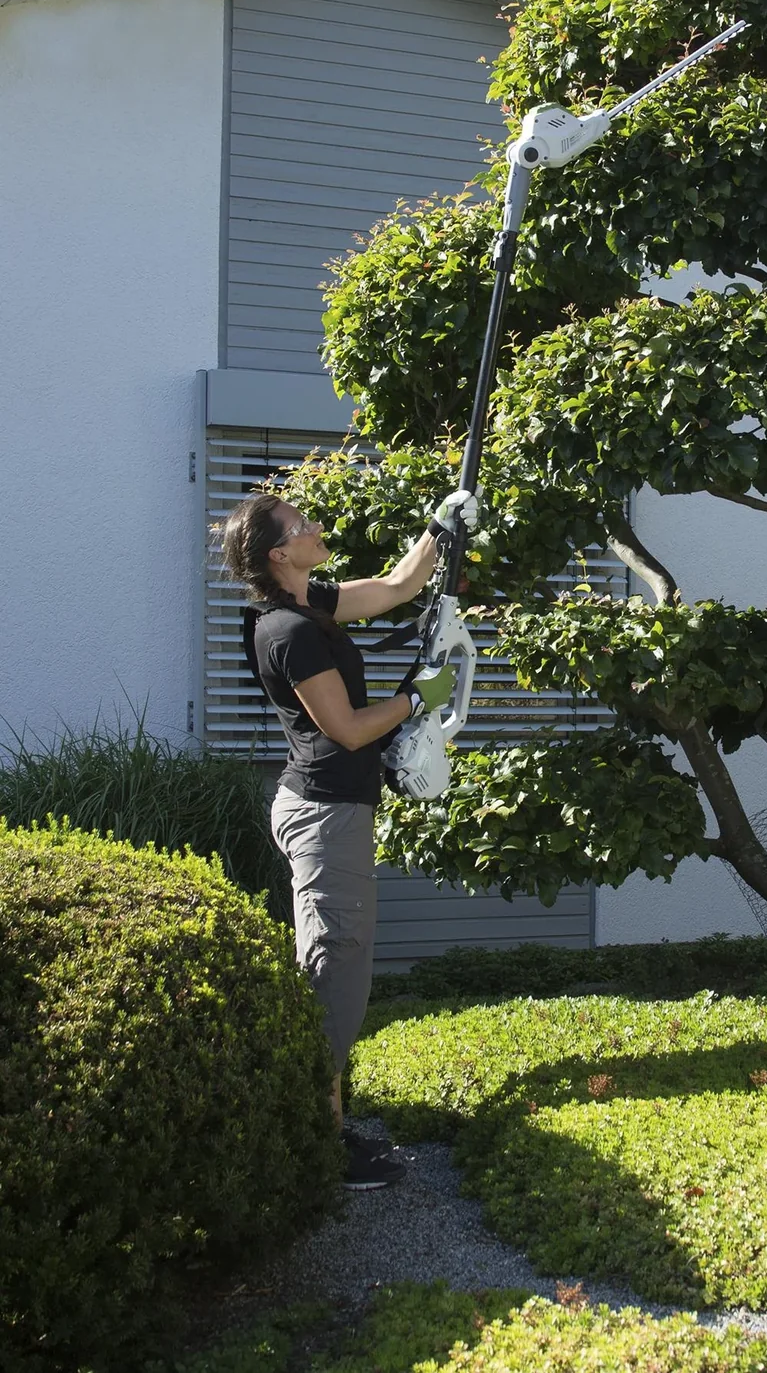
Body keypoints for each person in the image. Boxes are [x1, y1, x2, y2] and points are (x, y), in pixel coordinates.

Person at [217, 488, 480, 1189]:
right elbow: (351, 729)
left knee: (332, 964)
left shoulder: (313, 604)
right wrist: (416, 698)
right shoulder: (287, 631)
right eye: (302, 526)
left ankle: (322, 1126)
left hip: (330, 808)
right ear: (279, 553)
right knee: (339, 971)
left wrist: (441, 528)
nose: (316, 527)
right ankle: (313, 1145)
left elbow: (398, 586)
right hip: (324, 813)